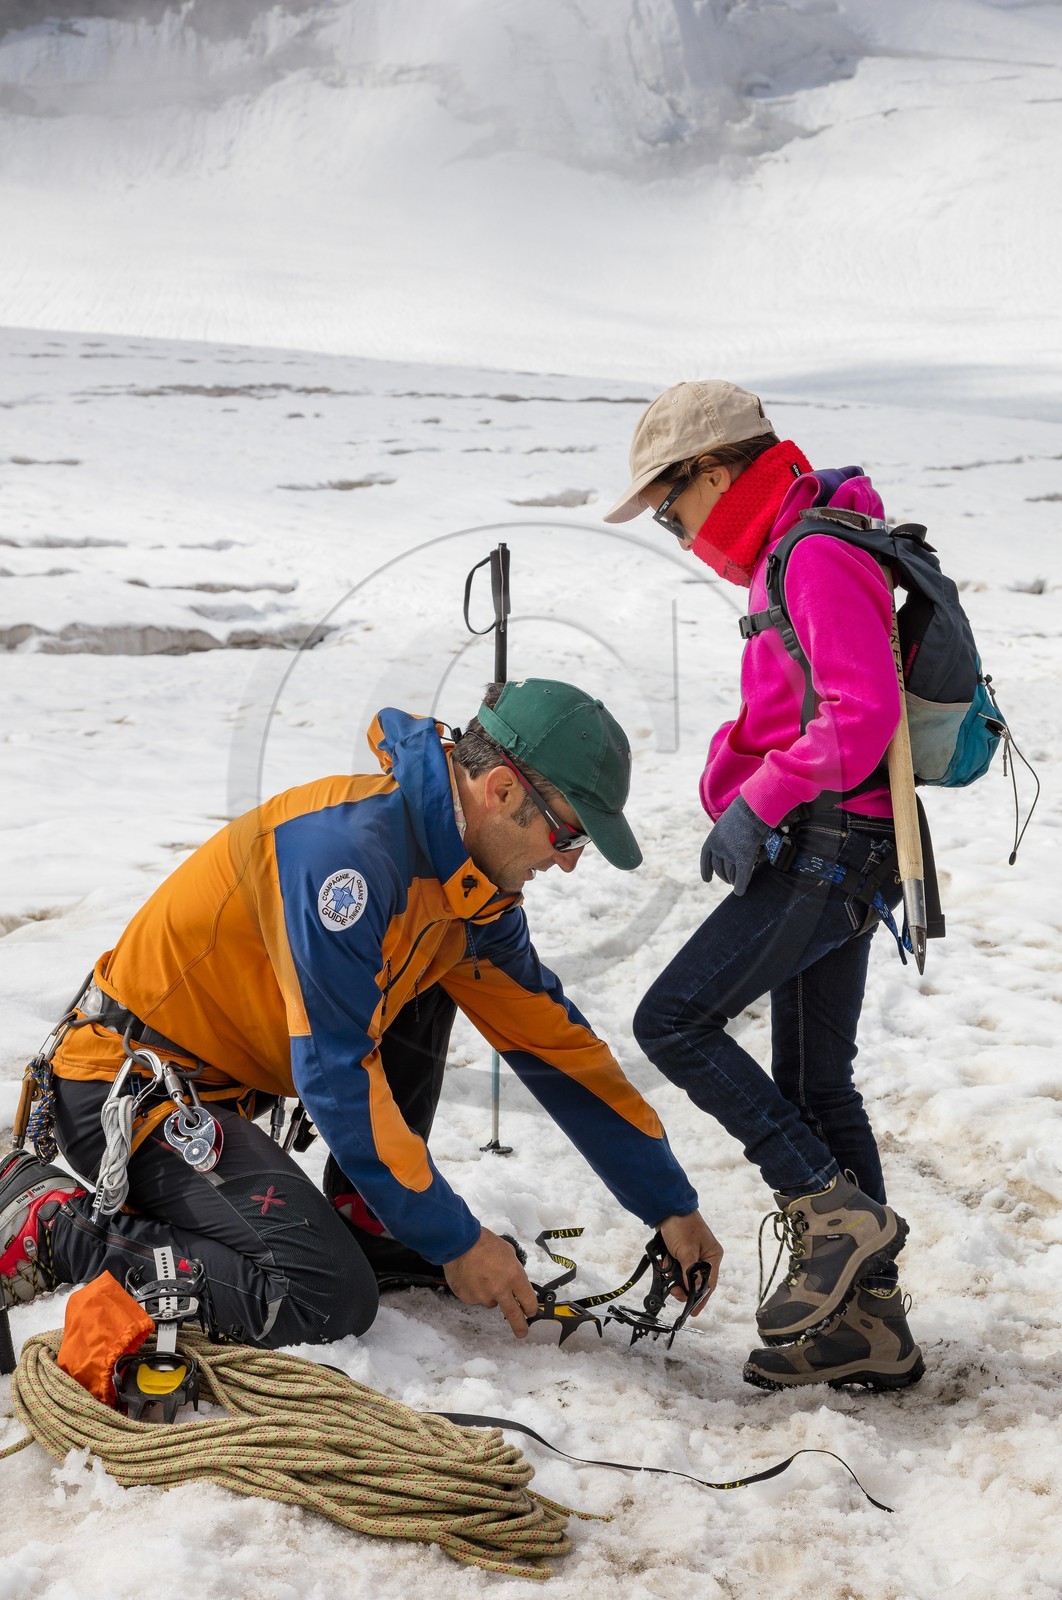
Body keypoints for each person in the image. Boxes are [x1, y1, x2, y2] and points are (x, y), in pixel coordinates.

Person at [1, 679, 721, 1347]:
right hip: (124, 1090)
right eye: (569, 836)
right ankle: (50, 1223)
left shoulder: (469, 888)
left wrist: (670, 1205)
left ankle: (372, 1219)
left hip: (215, 1092)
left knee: (442, 972)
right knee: (318, 1296)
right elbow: (337, 1073)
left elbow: (554, 1044)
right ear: (503, 790)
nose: (568, 862)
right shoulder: (344, 857)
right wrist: (455, 1240)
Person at [605, 381, 923, 1391]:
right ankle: (866, 1329)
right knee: (814, 1085)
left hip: (831, 846)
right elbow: (801, 710)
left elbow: (859, 716)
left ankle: (831, 1214)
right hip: (843, 844)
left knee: (674, 1021)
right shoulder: (799, 552)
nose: (672, 524)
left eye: (670, 500)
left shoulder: (813, 553)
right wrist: (734, 778)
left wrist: (762, 798)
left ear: (717, 470)